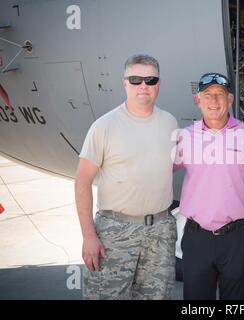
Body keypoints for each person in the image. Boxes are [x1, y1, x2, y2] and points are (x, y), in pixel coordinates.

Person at [75, 54, 178, 299]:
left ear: (159, 84)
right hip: (115, 233)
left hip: (160, 233)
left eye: (150, 80)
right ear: (125, 83)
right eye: (135, 79)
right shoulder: (105, 126)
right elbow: (82, 181)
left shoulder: (170, 123)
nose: (144, 86)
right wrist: (88, 236)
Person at [174, 73, 244, 299]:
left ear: (230, 99)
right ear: (197, 100)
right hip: (197, 237)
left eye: (219, 94)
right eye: (207, 95)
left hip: (237, 238)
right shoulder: (184, 137)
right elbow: (158, 173)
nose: (213, 101)